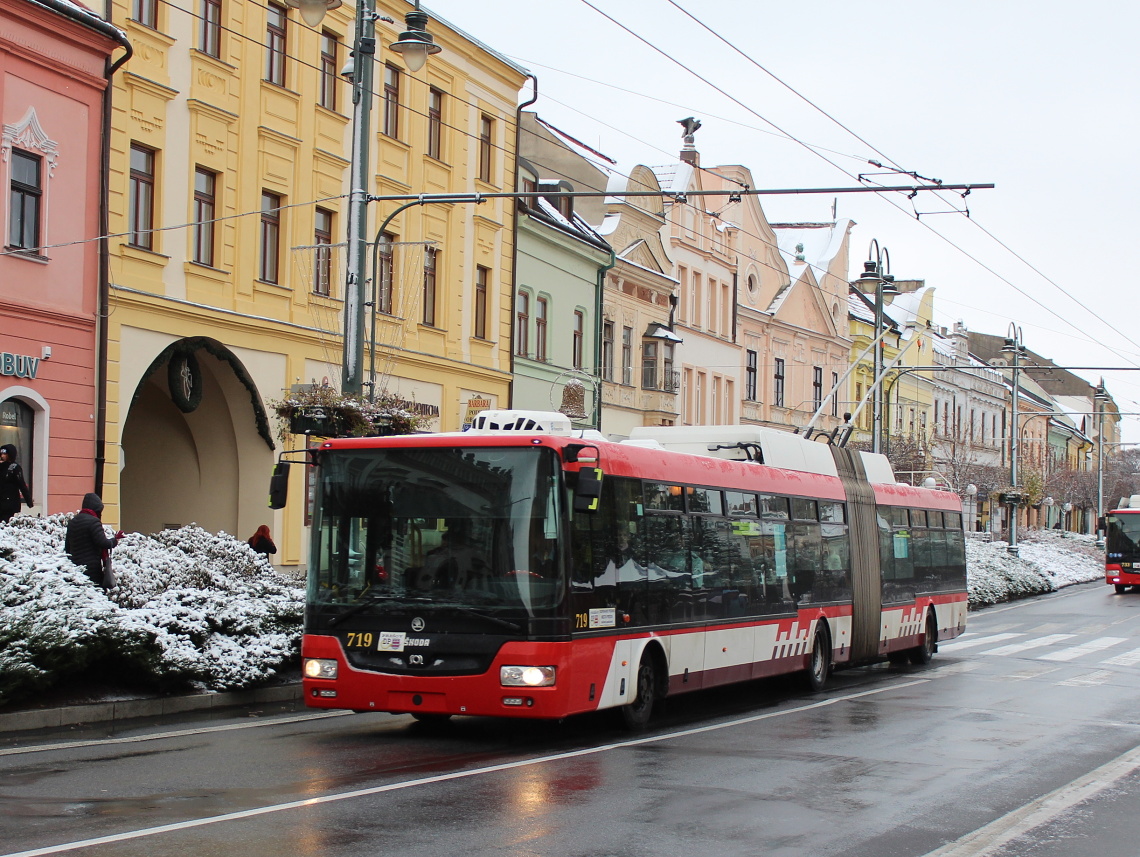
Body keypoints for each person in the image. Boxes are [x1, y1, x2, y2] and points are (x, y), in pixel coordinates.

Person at [64, 493, 122, 588]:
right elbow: (103, 542)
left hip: (75, 568)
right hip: (92, 568)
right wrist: (115, 541)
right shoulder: (94, 521)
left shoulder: (73, 522)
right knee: (95, 590)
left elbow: (67, 547)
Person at [0, 444, 33, 523]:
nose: (2, 456)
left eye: (5, 454)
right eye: (1, 454)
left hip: (10, 503)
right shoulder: (1, 467)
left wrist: (28, 501)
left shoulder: (14, 468)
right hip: (1, 502)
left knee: (6, 523)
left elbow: (22, 485)